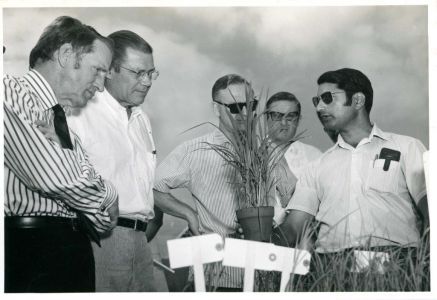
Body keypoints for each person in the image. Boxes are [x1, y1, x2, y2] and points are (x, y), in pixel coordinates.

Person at [4, 16, 119, 292]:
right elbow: (56, 179)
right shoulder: (8, 93)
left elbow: (102, 220)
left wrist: (89, 190)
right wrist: (109, 193)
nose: (101, 86)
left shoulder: (62, 124)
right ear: (66, 54)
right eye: (98, 70)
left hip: (68, 253)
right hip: (31, 250)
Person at [281, 68, 428, 257]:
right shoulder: (317, 166)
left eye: (327, 98)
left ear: (358, 100)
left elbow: (431, 206)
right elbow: (293, 227)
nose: (319, 108)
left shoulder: (408, 148)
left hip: (397, 266)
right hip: (330, 270)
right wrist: (259, 241)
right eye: (316, 101)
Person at [154, 74, 266, 291]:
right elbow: (152, 189)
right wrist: (188, 213)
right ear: (216, 109)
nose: (244, 113)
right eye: (234, 107)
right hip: (215, 277)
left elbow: (293, 201)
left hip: (263, 276)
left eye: (251, 105)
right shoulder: (194, 150)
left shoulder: (267, 152)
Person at [67, 30, 159, 292]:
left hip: (141, 241)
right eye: (138, 73)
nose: (147, 81)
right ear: (110, 70)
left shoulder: (142, 121)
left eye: (151, 73)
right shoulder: (80, 112)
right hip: (101, 238)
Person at [265, 92, 322, 226]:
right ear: (266, 118)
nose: (284, 123)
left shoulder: (315, 156)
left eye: (290, 117)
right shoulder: (251, 153)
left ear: (298, 119)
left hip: (303, 235)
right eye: (277, 116)